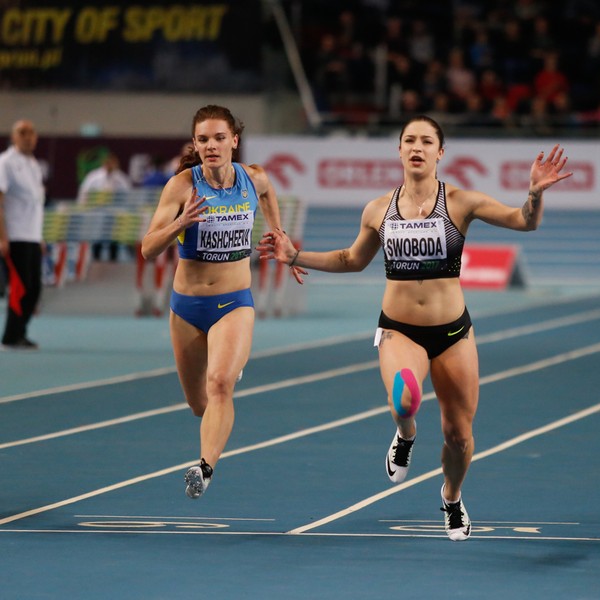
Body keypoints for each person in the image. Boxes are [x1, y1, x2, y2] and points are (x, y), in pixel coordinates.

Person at [256, 115, 572, 541]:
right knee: (405, 399)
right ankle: (405, 435)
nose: (417, 147)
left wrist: (534, 193)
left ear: (440, 152)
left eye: (426, 141)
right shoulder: (378, 209)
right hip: (399, 330)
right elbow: (351, 259)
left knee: (459, 437)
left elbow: (524, 221)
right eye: (409, 140)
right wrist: (295, 255)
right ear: (400, 150)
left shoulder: (460, 202)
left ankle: (451, 496)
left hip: (453, 334)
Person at [141, 105, 292, 499]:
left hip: (234, 302)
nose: (211, 145)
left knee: (221, 383)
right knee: (199, 405)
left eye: (219, 138)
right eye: (203, 139)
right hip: (187, 308)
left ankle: (204, 467)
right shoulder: (181, 187)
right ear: (195, 144)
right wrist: (180, 223)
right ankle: (225, 373)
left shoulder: (253, 178)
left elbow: (267, 192)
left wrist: (277, 232)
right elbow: (148, 248)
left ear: (234, 141)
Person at [0, 119, 45, 350]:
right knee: (20, 287)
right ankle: (10, 336)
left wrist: (40, 237)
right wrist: (2, 236)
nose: (28, 137)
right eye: (22, 132)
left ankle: (21, 331)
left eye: (31, 132)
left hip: (32, 236)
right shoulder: (5, 162)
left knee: (35, 288)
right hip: (15, 235)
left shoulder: (34, 164)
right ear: (14, 137)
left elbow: (35, 204)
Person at [77, 152, 134, 261]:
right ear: (104, 164)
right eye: (109, 163)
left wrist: (125, 211)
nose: (111, 166)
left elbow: (128, 195)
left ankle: (113, 260)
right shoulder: (94, 177)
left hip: (114, 215)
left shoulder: (120, 178)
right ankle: (96, 259)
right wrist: (84, 209)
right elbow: (83, 193)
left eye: (113, 164)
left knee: (114, 238)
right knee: (97, 237)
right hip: (97, 213)